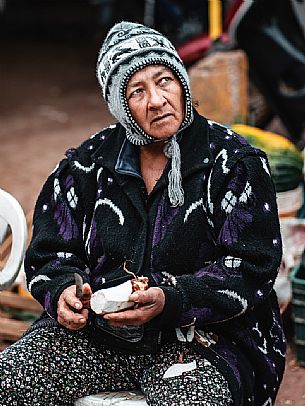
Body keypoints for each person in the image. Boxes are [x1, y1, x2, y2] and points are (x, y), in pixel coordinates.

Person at [0, 21, 286, 406]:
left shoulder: (234, 163)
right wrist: (63, 291)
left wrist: (171, 300)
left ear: (182, 83)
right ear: (120, 106)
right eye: (137, 91)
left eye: (164, 80)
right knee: (11, 380)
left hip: (204, 342)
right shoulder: (86, 166)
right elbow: (50, 253)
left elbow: (252, 266)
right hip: (100, 337)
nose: (156, 99)